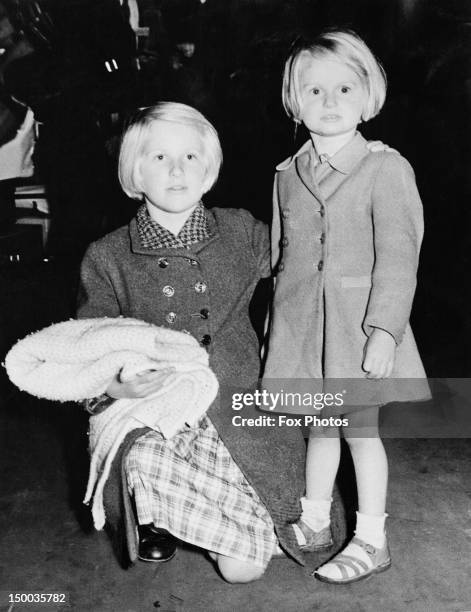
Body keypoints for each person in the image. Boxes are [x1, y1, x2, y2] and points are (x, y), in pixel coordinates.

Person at [77, 102, 328, 584]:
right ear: (134, 173)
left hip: (237, 409)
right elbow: (88, 346)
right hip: (159, 417)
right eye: (159, 158)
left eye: (191, 158)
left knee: (243, 571)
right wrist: (115, 389)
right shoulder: (107, 255)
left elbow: (303, 253)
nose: (177, 170)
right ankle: (155, 514)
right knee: (140, 453)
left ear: (209, 170)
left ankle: (196, 522)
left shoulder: (242, 231)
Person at [263, 30, 430, 584]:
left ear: (368, 96)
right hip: (305, 329)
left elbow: (401, 260)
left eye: (343, 88)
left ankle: (372, 539)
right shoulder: (287, 175)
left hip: (359, 334)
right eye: (313, 91)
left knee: (360, 431)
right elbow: (282, 259)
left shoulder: (386, 169)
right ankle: (314, 522)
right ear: (293, 100)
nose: (329, 103)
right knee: (320, 429)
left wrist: (384, 330)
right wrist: (277, 331)